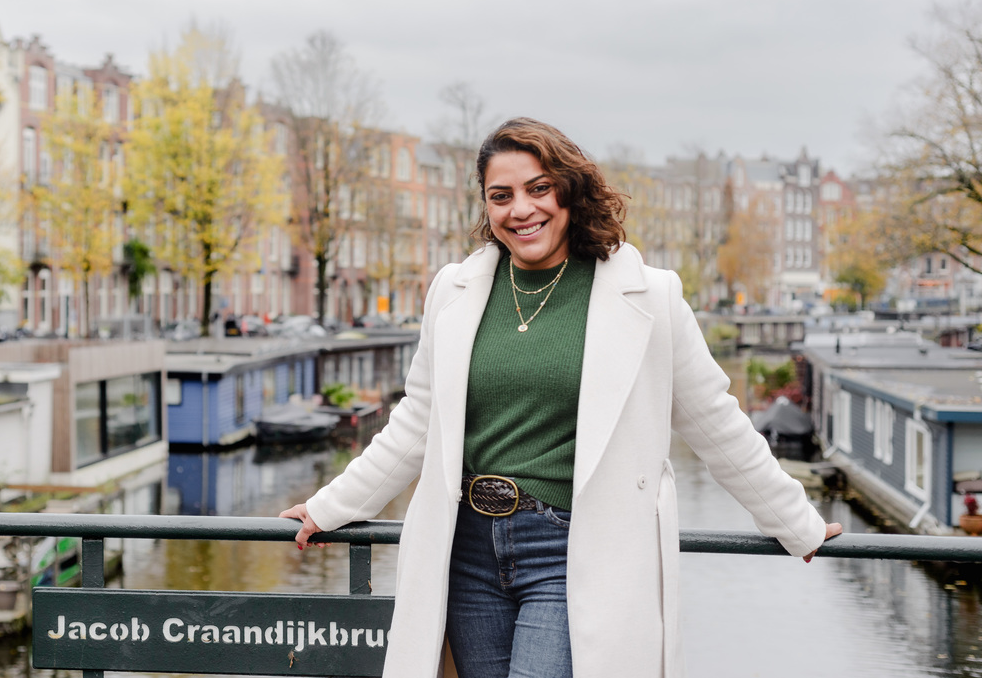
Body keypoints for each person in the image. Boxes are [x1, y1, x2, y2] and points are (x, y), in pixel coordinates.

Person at [280, 118, 841, 678]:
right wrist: (329, 507)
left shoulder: (648, 296)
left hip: (572, 551)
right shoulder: (453, 293)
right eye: (501, 196)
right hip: (466, 553)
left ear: (570, 190)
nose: (520, 209)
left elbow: (716, 423)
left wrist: (796, 522)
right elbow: (415, 423)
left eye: (538, 189)